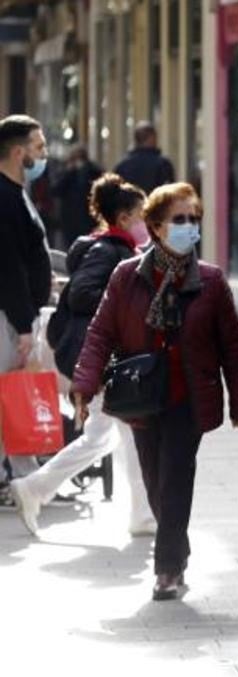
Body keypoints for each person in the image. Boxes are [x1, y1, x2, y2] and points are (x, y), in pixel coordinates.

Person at [71, 182, 238, 600]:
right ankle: (179, 546)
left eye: (194, 219)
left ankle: (167, 568)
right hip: (141, 396)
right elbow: (101, 332)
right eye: (179, 219)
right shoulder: (126, 276)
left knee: (175, 478)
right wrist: (85, 383)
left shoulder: (210, 280)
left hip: (189, 398)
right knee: (155, 482)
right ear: (154, 226)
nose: (189, 227)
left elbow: (232, 346)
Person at [10, 174, 155, 536]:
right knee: (132, 430)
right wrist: (127, 304)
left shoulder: (116, 248)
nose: (146, 224)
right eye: (142, 215)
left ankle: (33, 488)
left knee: (103, 436)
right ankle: (141, 515)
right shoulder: (109, 251)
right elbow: (82, 295)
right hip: (103, 354)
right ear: (123, 218)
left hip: (102, 353)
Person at [0, 115, 52, 486]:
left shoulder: (17, 193)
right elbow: (8, 266)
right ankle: (24, 478)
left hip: (17, 315)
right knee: (10, 393)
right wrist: (21, 325)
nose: (45, 154)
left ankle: (26, 479)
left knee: (13, 395)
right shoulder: (4, 198)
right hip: (8, 317)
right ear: (19, 153)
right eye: (39, 148)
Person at [50, 145, 104, 250]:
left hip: (86, 218)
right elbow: (56, 190)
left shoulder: (93, 171)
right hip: (74, 220)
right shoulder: (68, 173)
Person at [114, 122, 175, 194]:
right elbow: (168, 193)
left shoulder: (122, 166)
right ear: (152, 137)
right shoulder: (163, 164)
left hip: (129, 204)